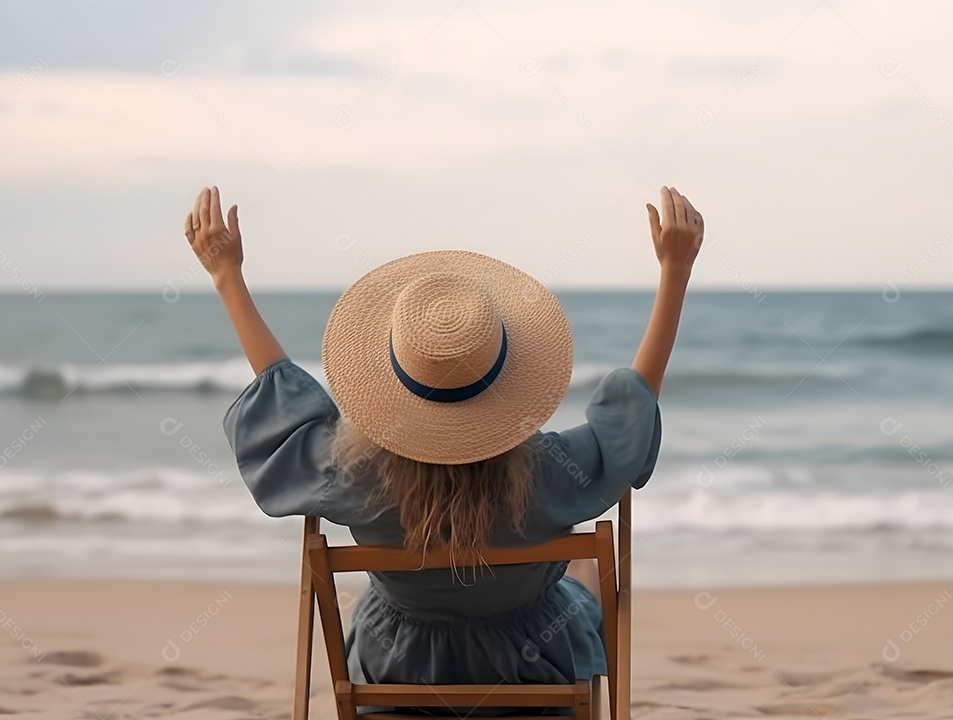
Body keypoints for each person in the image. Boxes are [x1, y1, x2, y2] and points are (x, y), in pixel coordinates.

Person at [183, 185, 703, 714]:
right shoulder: (548, 474)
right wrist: (675, 274)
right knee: (583, 572)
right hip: (531, 674)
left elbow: (282, 407)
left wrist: (227, 276)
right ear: (506, 381)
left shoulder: (353, 475)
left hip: (399, 671)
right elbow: (626, 425)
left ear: (391, 377)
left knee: (382, 599)